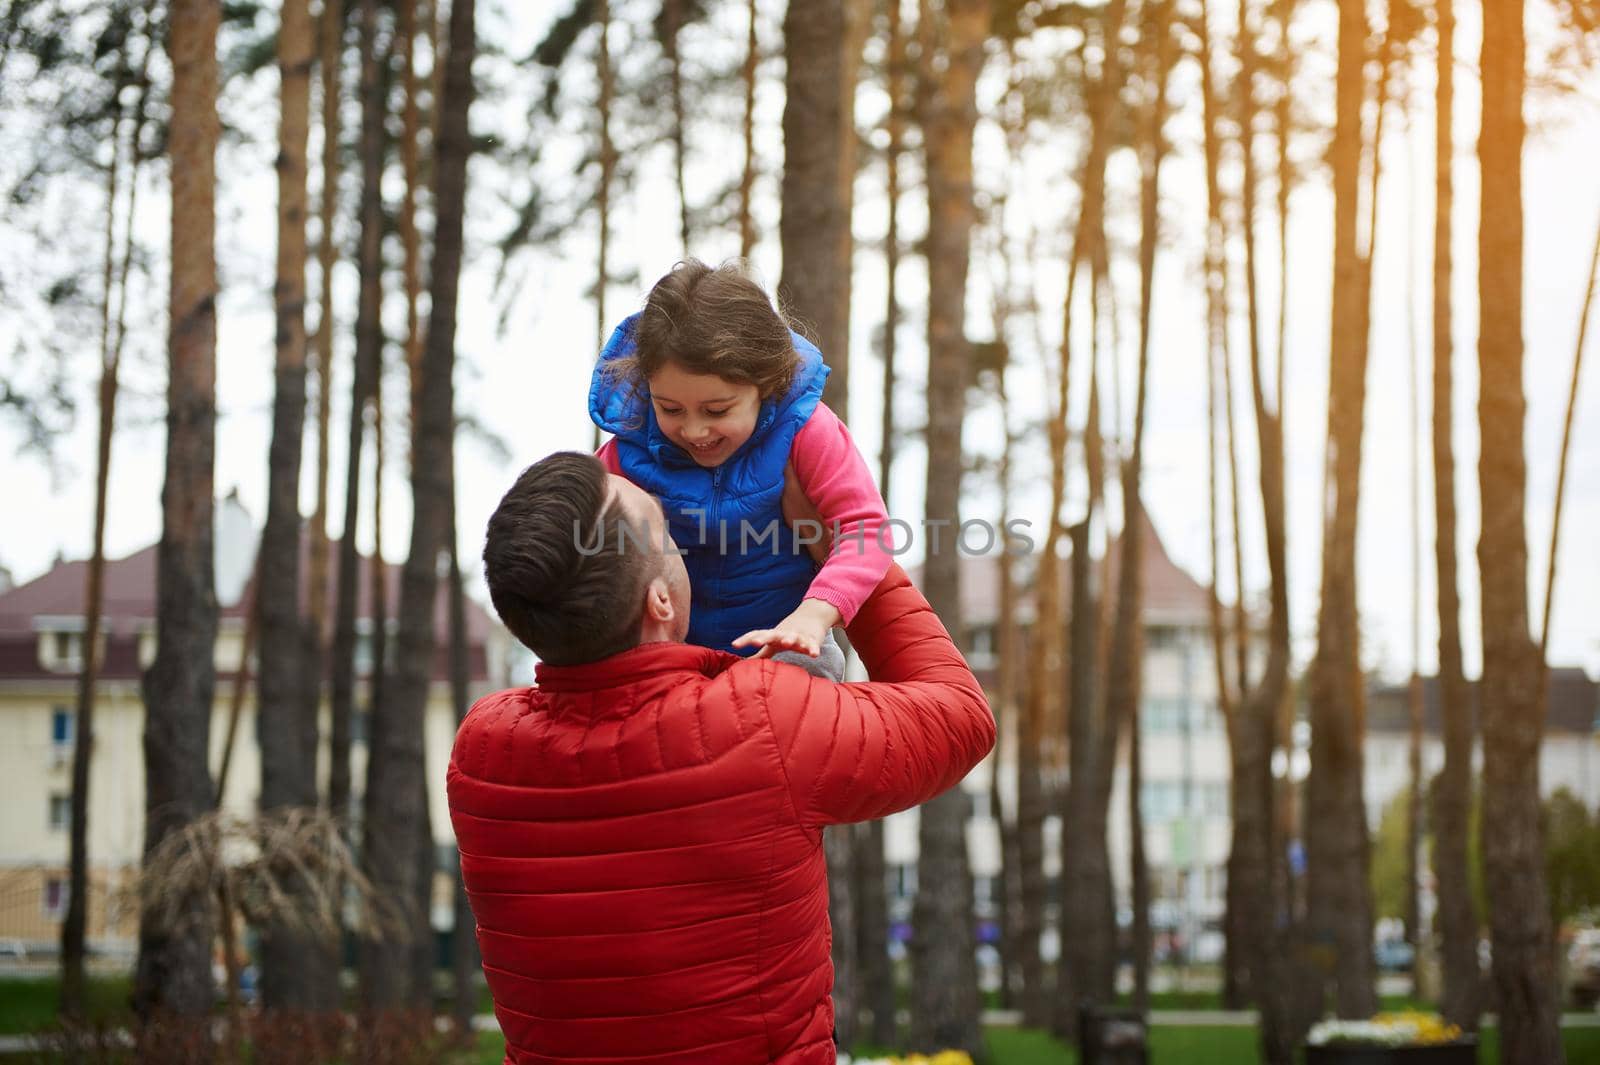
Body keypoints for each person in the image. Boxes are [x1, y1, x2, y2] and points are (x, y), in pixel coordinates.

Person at [449, 451, 994, 1065]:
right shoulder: (759, 721)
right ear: (659, 602)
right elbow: (959, 713)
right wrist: (844, 556)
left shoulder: (483, 748)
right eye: (667, 527)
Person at [589, 259, 892, 681]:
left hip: (782, 643)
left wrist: (815, 613)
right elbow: (582, 542)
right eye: (670, 408)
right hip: (670, 655)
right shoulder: (630, 451)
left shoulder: (805, 431)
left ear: (766, 384)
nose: (694, 430)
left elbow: (865, 529)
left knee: (801, 691)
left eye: (717, 410)